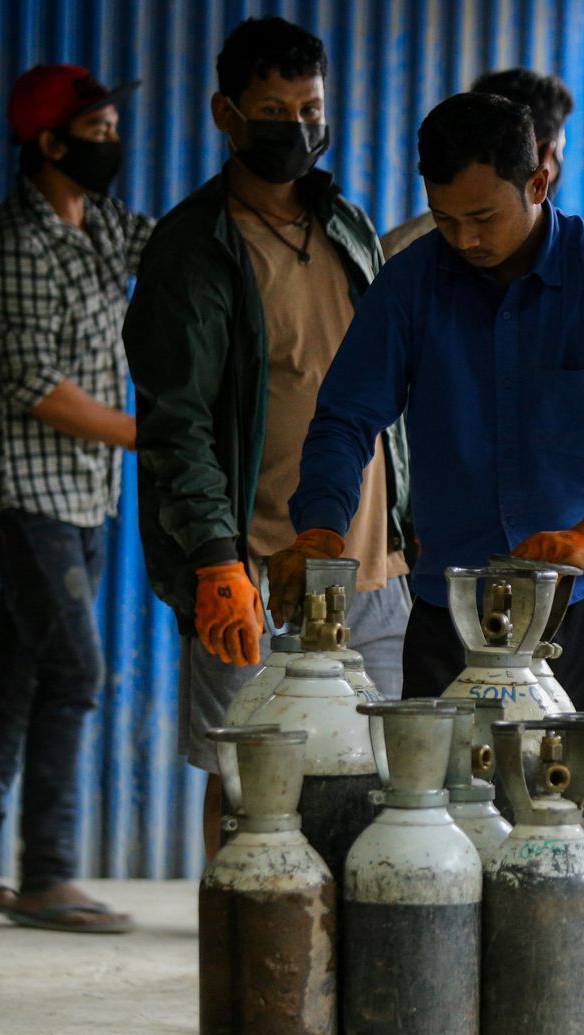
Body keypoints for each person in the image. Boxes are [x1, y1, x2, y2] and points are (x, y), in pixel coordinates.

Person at [275, 91, 584, 714]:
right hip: (452, 608)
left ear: (538, 182)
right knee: (439, 780)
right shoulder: (408, 284)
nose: (465, 239)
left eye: (483, 217)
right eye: (445, 219)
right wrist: (321, 529)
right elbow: (345, 420)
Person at [124, 16, 411, 853]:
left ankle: (342, 937)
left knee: (379, 778)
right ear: (227, 115)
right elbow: (175, 424)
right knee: (248, 781)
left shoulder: (347, 226)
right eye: (273, 111)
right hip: (251, 569)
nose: (297, 127)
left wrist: (407, 528)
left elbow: (390, 385)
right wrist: (216, 561)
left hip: (370, 567)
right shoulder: (194, 250)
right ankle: (236, 930)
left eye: (310, 108)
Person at [0, 64, 149, 933]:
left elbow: (170, 249)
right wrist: (149, 434)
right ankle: (48, 874)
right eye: (95, 131)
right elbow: (38, 388)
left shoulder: (101, 224)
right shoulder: (15, 244)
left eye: (112, 128)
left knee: (24, 667)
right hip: (26, 487)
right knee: (74, 669)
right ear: (49, 144)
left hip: (85, 489)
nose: (113, 143)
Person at [380, 68, 572, 258]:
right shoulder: (576, 256)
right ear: (544, 155)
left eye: (484, 218)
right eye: (559, 152)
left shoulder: (395, 249)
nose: (463, 241)